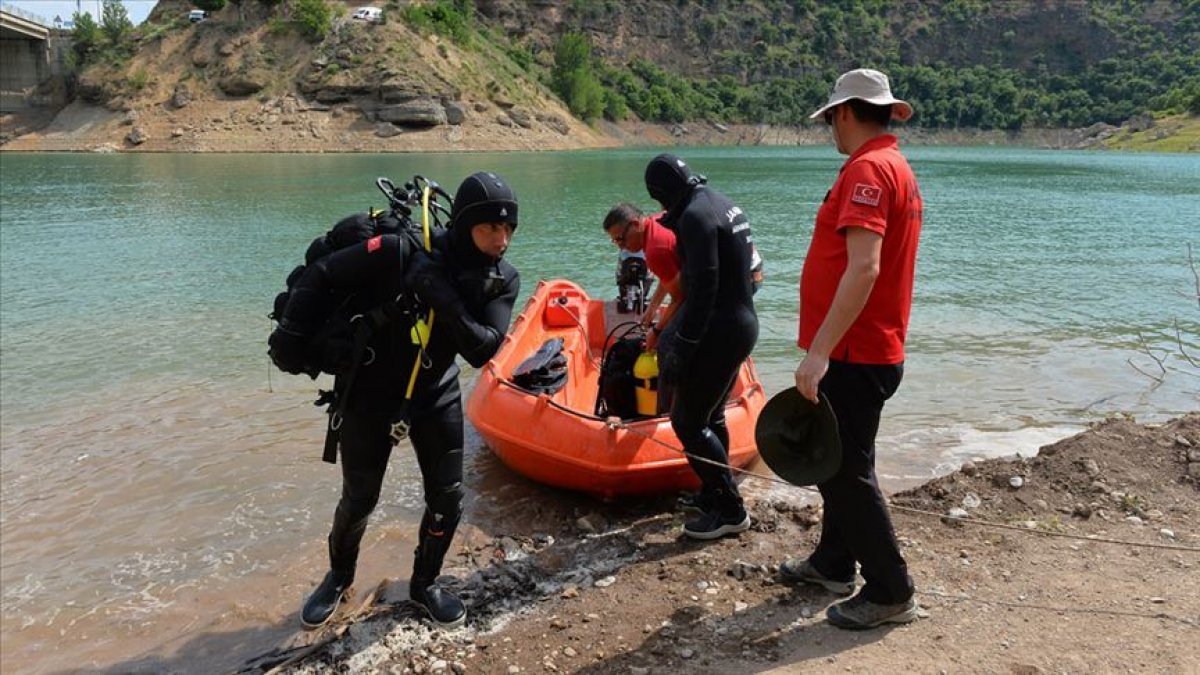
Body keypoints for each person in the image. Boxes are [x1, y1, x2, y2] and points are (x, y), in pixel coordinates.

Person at [268, 172, 521, 629]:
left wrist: (441, 298)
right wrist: (290, 338)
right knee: (360, 498)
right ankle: (338, 578)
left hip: (437, 394)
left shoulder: (501, 278)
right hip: (367, 395)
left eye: (508, 229)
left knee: (447, 499)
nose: (501, 240)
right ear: (464, 225)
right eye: (490, 228)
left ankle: (425, 584)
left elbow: (483, 349)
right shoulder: (400, 252)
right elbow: (323, 273)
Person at [783, 68, 923, 629]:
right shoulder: (895, 166)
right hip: (871, 346)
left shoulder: (868, 168)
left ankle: (891, 590)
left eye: (831, 121)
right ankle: (833, 562)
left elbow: (864, 267)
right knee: (840, 462)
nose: (831, 131)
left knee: (845, 472)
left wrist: (819, 352)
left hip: (856, 351)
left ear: (845, 113)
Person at [643, 154, 759, 540]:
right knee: (713, 417)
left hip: (719, 330)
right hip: (742, 324)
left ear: (662, 194)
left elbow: (704, 289)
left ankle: (730, 509)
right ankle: (714, 493)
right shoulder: (721, 203)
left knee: (687, 422)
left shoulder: (694, 216)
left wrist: (682, 347)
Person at [602, 203, 683, 352]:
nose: (621, 247)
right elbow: (669, 276)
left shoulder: (655, 250)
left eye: (620, 239)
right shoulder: (657, 221)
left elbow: (679, 297)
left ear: (635, 224)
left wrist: (657, 332)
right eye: (615, 241)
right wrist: (652, 309)